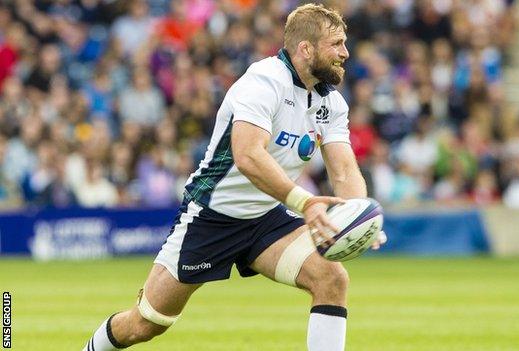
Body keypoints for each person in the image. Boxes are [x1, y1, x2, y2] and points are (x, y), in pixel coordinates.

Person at [81, 4, 386, 351]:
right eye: (337, 44)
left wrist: (360, 213)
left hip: (265, 219)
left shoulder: (332, 103)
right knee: (145, 323)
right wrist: (306, 203)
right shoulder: (264, 81)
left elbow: (344, 170)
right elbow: (248, 156)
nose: (346, 53)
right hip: (211, 215)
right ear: (306, 49)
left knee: (331, 277)